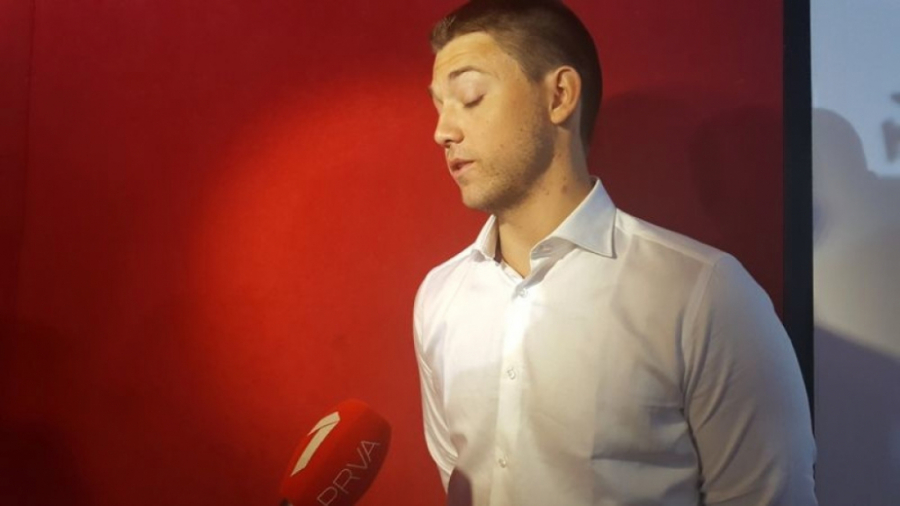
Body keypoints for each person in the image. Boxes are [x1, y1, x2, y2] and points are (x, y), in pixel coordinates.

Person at [412, 1, 818, 505]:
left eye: (470, 97)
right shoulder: (440, 298)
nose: (442, 131)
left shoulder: (704, 294)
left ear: (559, 95)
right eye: (438, 105)